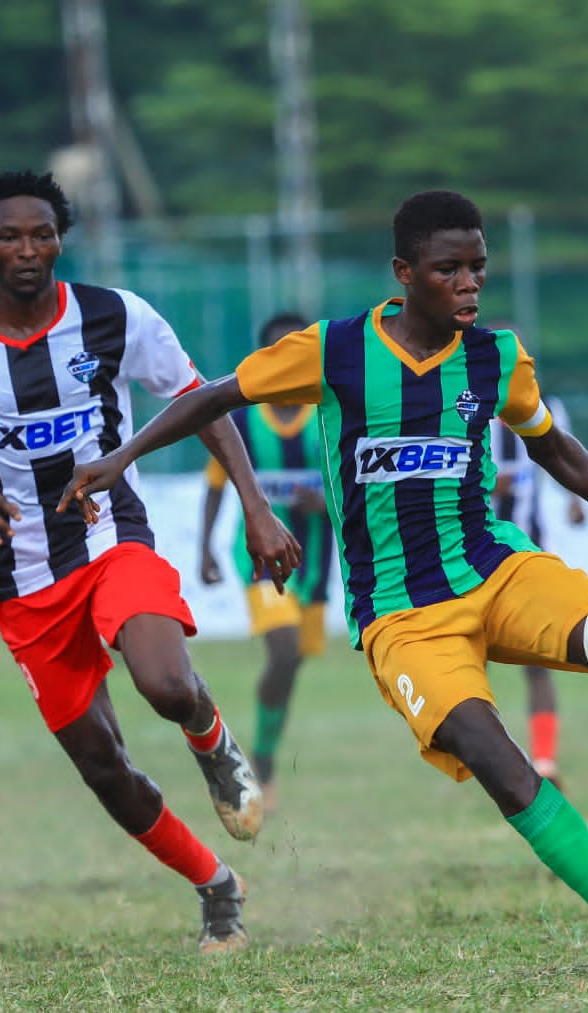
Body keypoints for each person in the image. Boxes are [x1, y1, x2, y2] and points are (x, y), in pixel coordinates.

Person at [57, 189, 588, 977]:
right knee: (501, 766)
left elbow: (553, 448)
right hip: (401, 613)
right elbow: (212, 396)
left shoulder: (498, 356)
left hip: (496, 569)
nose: (469, 284)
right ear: (404, 272)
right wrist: (122, 458)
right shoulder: (335, 350)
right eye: (449, 269)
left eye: (479, 268)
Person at [0, 169, 301, 954]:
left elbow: (203, 400)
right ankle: (216, 884)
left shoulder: (115, 316)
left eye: (42, 233)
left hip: (112, 534)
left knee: (165, 682)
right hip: (22, 575)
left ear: (61, 240)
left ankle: (212, 739)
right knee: (102, 765)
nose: (26, 249)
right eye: (8, 236)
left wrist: (255, 505)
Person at [198, 311, 336, 814]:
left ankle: (266, 751)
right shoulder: (240, 420)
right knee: (283, 651)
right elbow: (216, 485)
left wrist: (327, 505)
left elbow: (356, 483)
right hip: (259, 559)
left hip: (316, 561)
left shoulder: (329, 416)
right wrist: (206, 549)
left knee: (294, 658)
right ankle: (262, 762)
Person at [486, 331, 586, 791]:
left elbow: (561, 454)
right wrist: (486, 489)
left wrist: (573, 499)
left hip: (528, 550)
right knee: (468, 662)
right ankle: (495, 762)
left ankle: (544, 761)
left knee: (537, 657)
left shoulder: (546, 407)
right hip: (473, 554)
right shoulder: (467, 412)